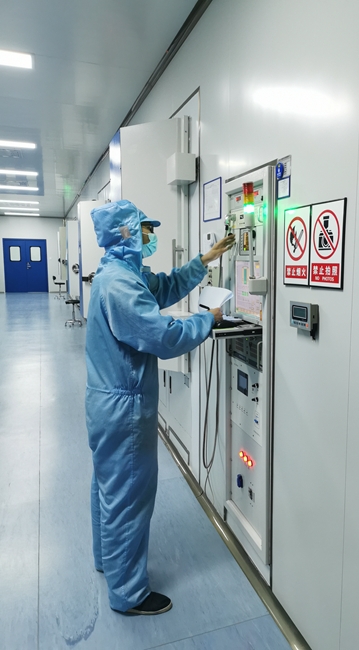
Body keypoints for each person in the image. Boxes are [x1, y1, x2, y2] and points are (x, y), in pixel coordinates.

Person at [85, 199, 234, 616]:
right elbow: (164, 337)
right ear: (127, 233)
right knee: (129, 496)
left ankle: (108, 561)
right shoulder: (120, 284)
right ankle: (128, 593)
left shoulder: (121, 273)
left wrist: (203, 261)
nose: (151, 236)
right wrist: (209, 320)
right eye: (145, 229)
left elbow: (163, 287)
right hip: (124, 409)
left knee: (109, 488)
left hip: (107, 401)